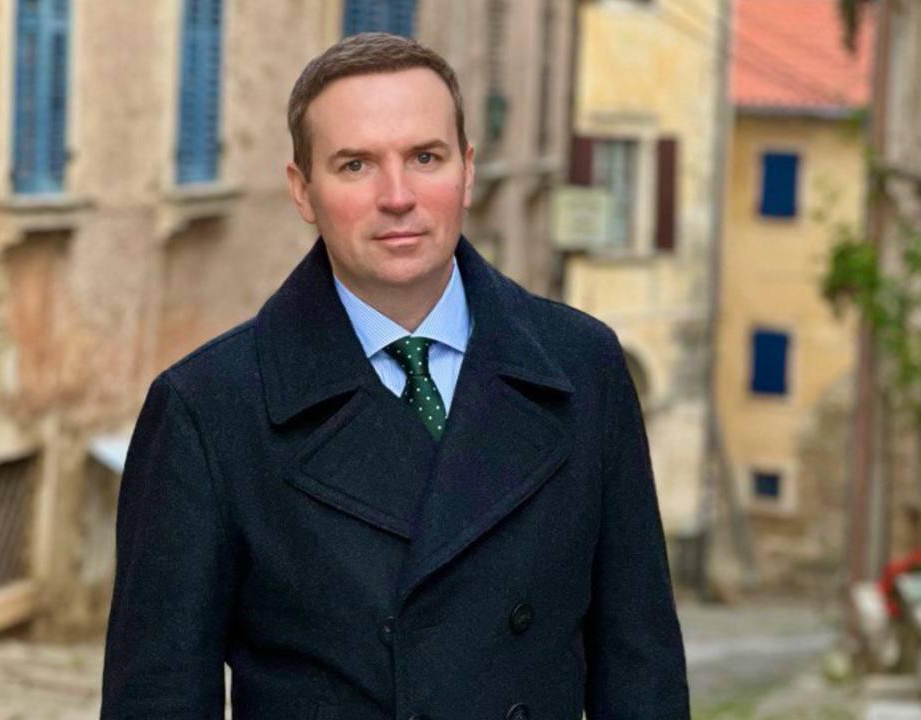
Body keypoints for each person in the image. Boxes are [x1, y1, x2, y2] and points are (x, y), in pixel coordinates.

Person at [101, 32, 689, 720]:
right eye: (356, 165)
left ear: (467, 171)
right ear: (303, 191)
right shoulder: (209, 409)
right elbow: (158, 700)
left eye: (425, 158)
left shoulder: (583, 366)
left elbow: (642, 674)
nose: (398, 196)